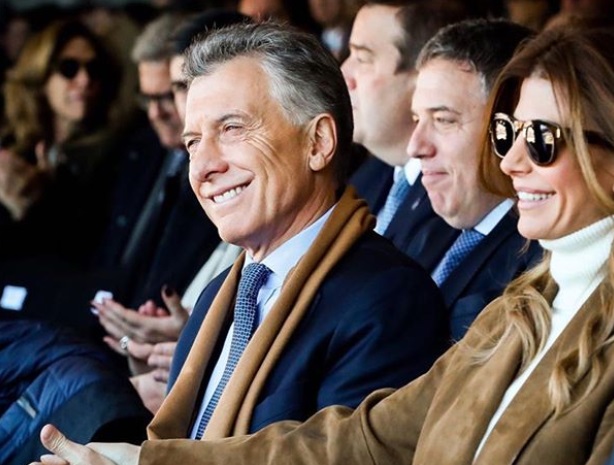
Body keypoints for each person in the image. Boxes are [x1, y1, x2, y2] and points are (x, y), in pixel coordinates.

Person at [35, 23, 614, 465]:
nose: (510, 162)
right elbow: (359, 440)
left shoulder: (389, 298)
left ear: (318, 144)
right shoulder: (516, 314)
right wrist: (139, 460)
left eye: (541, 140)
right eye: (507, 135)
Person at [406, 19, 542, 339]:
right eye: (416, 119)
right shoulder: (423, 218)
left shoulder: (539, 259)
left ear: (509, 128)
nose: (415, 147)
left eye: (443, 120)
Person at [344, 1, 464, 258]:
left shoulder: (454, 200)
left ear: (423, 78)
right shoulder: (361, 181)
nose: (344, 73)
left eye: (362, 58)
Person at [0, 18, 122, 266]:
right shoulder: (14, 146)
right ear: (41, 76)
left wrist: (37, 204)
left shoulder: (114, 153)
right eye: (69, 68)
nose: (84, 79)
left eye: (94, 69)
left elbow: (87, 245)